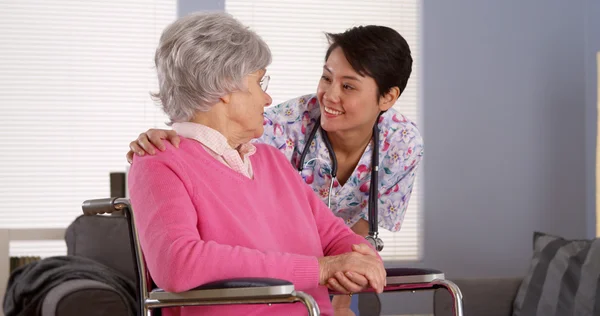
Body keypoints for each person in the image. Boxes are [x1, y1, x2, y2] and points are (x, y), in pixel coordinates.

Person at [128, 18, 423, 315]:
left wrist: (364, 258)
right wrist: (319, 269)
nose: (267, 98)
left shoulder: (270, 159)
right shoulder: (160, 161)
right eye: (260, 82)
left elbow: (335, 236)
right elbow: (178, 263)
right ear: (224, 87)